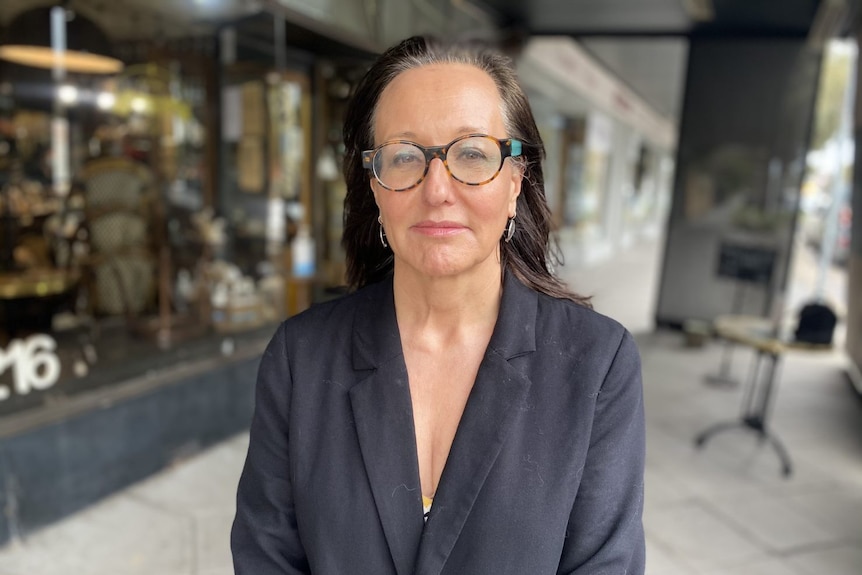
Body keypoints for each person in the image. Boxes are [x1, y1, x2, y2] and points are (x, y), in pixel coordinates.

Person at [231, 35, 645, 575]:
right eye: (405, 156)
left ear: (516, 179)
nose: (438, 189)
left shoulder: (596, 362)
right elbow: (267, 559)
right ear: (375, 186)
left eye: (472, 153)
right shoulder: (301, 357)